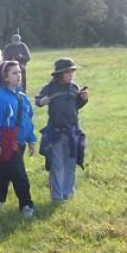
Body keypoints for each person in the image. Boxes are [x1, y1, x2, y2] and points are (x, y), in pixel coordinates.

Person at [35, 58, 89, 202]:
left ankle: (69, 194)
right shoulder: (50, 88)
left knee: (71, 164)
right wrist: (42, 101)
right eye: (68, 72)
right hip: (56, 132)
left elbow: (75, 106)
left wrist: (83, 99)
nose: (71, 75)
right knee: (57, 165)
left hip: (72, 132)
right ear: (59, 74)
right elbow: (38, 100)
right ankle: (57, 196)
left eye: (73, 72)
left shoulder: (73, 87)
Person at [0, 61, 37, 216]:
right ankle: (26, 204)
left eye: (19, 72)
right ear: (5, 77)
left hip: (21, 142)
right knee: (19, 175)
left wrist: (31, 139)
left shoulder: (21, 96)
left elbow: (28, 119)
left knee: (5, 172)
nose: (19, 76)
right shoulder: (0, 97)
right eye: (14, 73)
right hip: (8, 142)